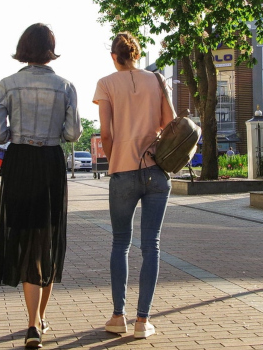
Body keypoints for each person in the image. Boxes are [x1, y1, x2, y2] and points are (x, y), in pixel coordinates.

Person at [0, 23, 81, 349]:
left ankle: (32, 324)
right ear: (50, 49)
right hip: (50, 165)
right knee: (47, 240)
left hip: (20, 165)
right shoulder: (66, 86)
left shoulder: (6, 85)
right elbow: (72, 134)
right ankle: (38, 320)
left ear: (23, 47)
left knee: (26, 237)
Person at [93, 32, 174, 339]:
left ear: (114, 56)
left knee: (120, 243)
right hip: (156, 170)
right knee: (151, 245)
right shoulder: (156, 79)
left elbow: (106, 133)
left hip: (123, 171)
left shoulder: (105, 84)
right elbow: (170, 122)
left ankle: (118, 317)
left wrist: (116, 163)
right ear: (136, 54)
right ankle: (143, 321)